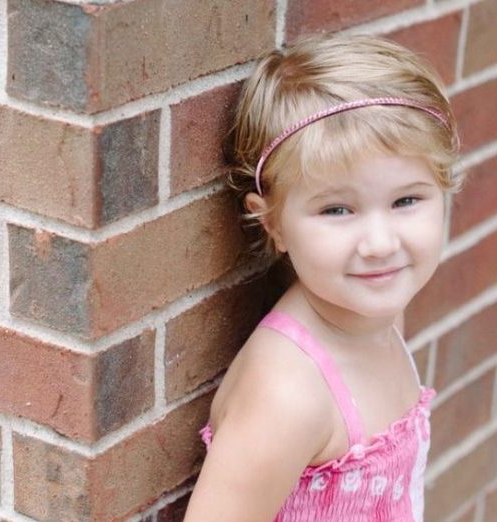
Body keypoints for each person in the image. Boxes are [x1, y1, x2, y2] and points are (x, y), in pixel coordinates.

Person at [184, 33, 462, 522]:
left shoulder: (371, 313)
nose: (379, 243)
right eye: (337, 209)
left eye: (406, 200)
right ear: (272, 222)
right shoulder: (288, 394)